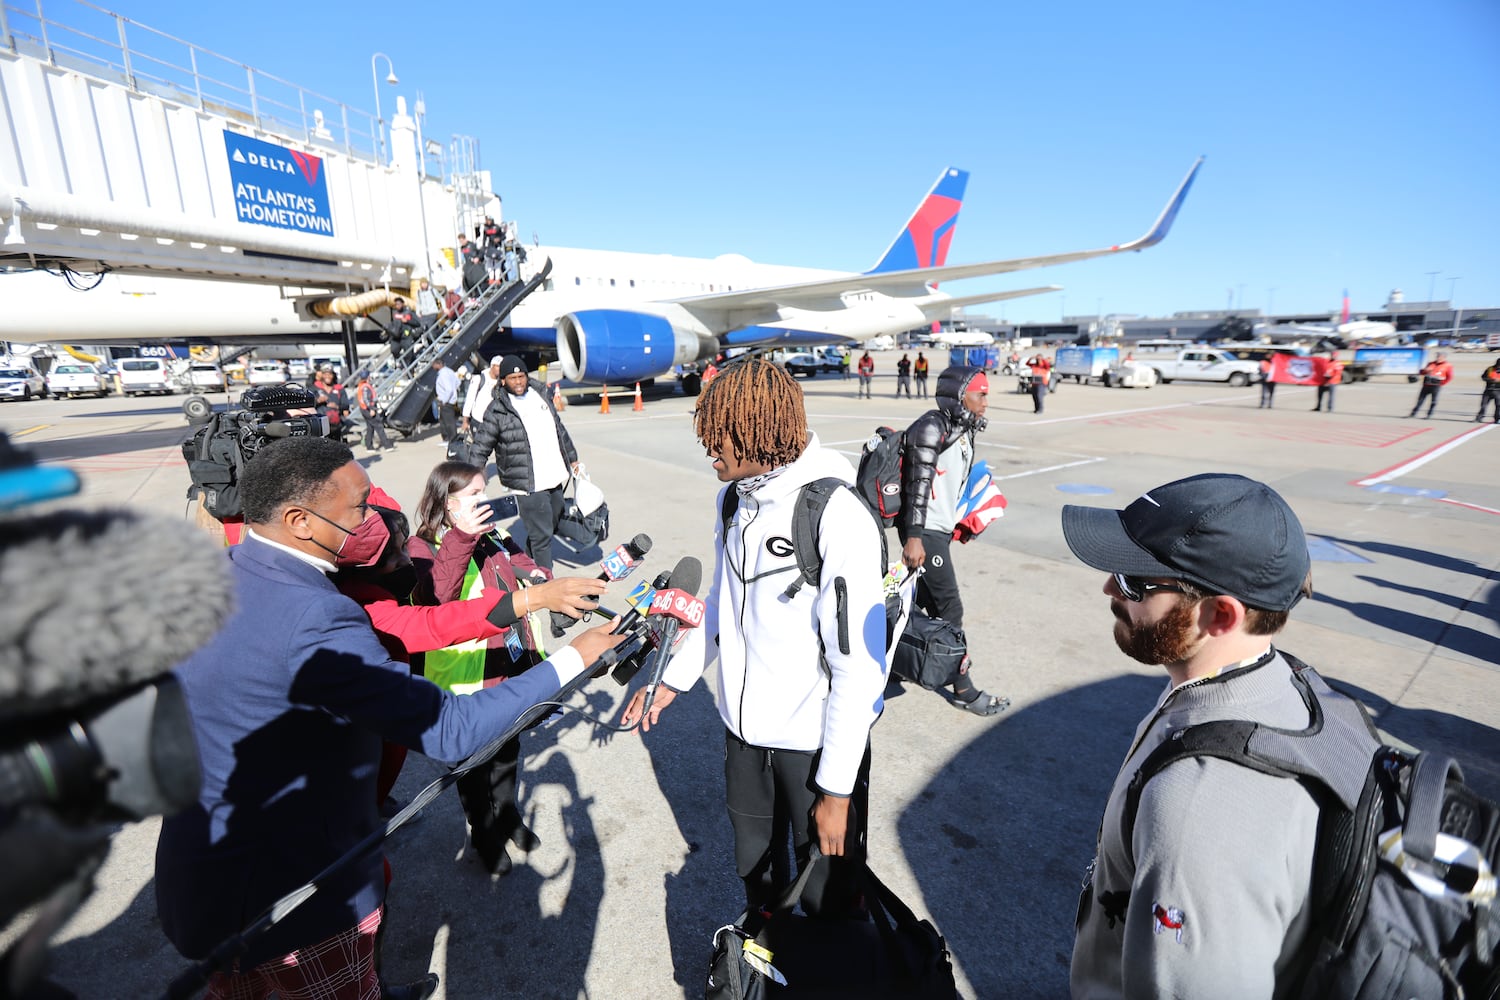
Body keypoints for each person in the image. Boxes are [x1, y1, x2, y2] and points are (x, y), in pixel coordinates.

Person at [154, 437, 623, 1000]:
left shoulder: (232, 572)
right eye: (359, 508)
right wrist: (577, 657)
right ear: (300, 519)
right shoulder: (316, 614)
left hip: (212, 875)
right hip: (288, 904)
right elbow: (450, 729)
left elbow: (409, 626)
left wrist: (528, 601)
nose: (371, 520)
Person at [620, 358, 886, 917]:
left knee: (826, 898)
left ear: (760, 433)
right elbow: (721, 602)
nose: (709, 450)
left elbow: (858, 667)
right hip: (744, 737)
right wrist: (673, 679)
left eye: (722, 438)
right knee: (755, 875)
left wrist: (836, 790)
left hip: (814, 747)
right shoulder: (733, 498)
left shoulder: (836, 514)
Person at [1062, 473, 1319, 999]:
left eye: (1136, 581)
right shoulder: (1276, 682)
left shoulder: (1197, 810)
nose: (1110, 588)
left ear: (1220, 615)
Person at [408, 461, 603, 876]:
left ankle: (509, 816)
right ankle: (482, 832)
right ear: (446, 502)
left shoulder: (492, 534)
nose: (484, 501)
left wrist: (542, 578)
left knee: (509, 751)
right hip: (466, 681)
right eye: (473, 495)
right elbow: (437, 596)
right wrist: (462, 537)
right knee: (474, 765)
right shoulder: (422, 546)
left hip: (509, 665)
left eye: (485, 491)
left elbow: (522, 563)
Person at [898, 366, 1008, 715]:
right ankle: (963, 688)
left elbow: (949, 484)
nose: (986, 402)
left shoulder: (962, 429)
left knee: (919, 607)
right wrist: (914, 538)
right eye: (981, 394)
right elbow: (917, 487)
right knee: (950, 610)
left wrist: (957, 522)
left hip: (937, 530)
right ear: (961, 396)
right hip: (924, 531)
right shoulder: (932, 427)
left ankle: (892, 664)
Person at [470, 356, 579, 572]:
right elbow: (480, 447)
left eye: (521, 376)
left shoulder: (541, 395)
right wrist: (472, 482)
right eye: (513, 378)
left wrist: (572, 457)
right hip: (527, 482)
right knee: (541, 536)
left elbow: (559, 429)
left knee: (553, 521)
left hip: (554, 475)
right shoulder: (497, 410)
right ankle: (545, 585)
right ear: (503, 381)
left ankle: (528, 564)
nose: (518, 382)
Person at [461, 356, 504, 440]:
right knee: (479, 447)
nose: (500, 369)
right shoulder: (479, 379)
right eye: (498, 366)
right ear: (492, 366)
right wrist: (465, 421)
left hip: (494, 421)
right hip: (478, 419)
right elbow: (470, 400)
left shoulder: (502, 381)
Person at [355, 371, 393, 452]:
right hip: (368, 409)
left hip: (365, 409)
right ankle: (387, 446)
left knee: (370, 428)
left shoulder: (363, 386)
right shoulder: (365, 387)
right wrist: (371, 409)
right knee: (379, 426)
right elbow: (366, 400)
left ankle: (369, 446)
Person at [1409, 352, 1453, 418]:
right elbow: (1422, 372)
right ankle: (1413, 413)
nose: (1438, 358)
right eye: (1437, 356)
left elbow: (1449, 377)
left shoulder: (1448, 365)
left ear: (1444, 357)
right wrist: (1425, 371)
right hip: (1426, 384)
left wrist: (1442, 383)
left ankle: (1429, 414)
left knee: (1433, 401)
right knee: (1420, 400)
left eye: (1439, 356)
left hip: (1436, 385)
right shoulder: (1431, 363)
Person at [432, 358, 460, 442]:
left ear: (439, 364)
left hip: (446, 401)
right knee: (444, 421)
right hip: (450, 400)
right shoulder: (450, 371)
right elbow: (458, 382)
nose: (433, 367)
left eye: (434, 364)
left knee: (449, 422)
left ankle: (452, 439)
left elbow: (449, 389)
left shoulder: (443, 374)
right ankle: (446, 438)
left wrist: (444, 400)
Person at [1477, 356, 1500, 423]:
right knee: (1483, 405)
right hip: (1488, 390)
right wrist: (1491, 380)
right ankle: (1479, 418)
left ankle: (1497, 419)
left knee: (1498, 406)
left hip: (1498, 391)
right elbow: (1483, 377)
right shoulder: (1490, 369)